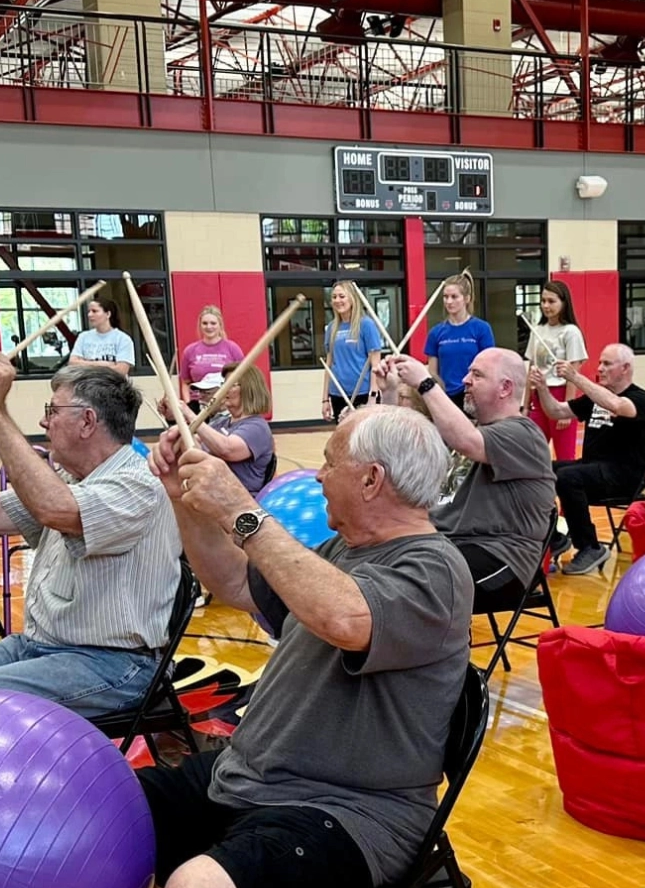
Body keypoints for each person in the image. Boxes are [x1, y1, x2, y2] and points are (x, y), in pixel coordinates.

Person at [139, 405, 469, 888]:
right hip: (248, 779)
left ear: (372, 480)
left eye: (330, 463)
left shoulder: (436, 570)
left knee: (198, 884)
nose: (317, 476)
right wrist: (181, 499)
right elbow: (236, 582)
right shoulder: (343, 550)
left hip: (349, 809)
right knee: (97, 805)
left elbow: (344, 618)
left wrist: (238, 509)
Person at [0, 358, 179, 715]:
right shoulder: (73, 481)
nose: (44, 421)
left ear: (87, 421)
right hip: (40, 646)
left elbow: (54, 508)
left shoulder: (138, 485)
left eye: (52, 410)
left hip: (116, 663)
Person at [384, 348, 555, 611]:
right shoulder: (472, 433)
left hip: (500, 562)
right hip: (447, 545)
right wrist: (389, 391)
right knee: (368, 560)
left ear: (505, 388)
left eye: (476, 374)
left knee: (396, 588)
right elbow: (394, 449)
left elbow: (467, 441)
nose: (465, 380)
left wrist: (425, 383)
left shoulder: (523, 434)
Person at [531, 344, 645, 577]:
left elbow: (617, 406)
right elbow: (556, 411)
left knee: (568, 477)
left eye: (607, 364)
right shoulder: (595, 398)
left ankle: (590, 547)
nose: (600, 368)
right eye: (600, 363)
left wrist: (575, 377)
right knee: (541, 470)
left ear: (625, 368)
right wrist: (542, 389)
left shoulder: (640, 398)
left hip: (620, 476)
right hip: (591, 469)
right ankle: (554, 537)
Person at [191, 362, 276, 497]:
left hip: (239, 504)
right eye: (224, 384)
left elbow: (227, 449)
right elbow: (192, 445)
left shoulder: (257, 427)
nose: (223, 390)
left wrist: (189, 415)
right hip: (212, 497)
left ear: (248, 389)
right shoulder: (221, 422)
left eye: (231, 384)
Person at [526, 281, 588, 461]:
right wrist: (525, 406)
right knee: (533, 455)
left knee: (565, 457)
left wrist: (567, 409)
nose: (546, 306)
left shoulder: (571, 332)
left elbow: (573, 375)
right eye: (543, 301)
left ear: (563, 303)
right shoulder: (537, 330)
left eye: (551, 301)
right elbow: (531, 370)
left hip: (561, 396)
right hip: (538, 398)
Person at [422, 277, 494, 412]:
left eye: (454, 297)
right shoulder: (436, 332)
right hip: (446, 396)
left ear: (466, 298)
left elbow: (489, 366)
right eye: (445, 297)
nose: (449, 301)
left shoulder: (481, 328)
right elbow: (432, 371)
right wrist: (441, 393)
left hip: (473, 395)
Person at [322, 282, 386, 421]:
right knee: (344, 439)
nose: (337, 300)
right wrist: (325, 399)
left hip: (363, 392)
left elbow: (375, 363)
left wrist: (373, 395)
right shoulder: (332, 328)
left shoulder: (366, 324)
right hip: (338, 393)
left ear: (352, 298)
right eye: (334, 297)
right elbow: (329, 364)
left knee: (364, 439)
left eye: (342, 296)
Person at [177, 305, 243, 410]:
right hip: (199, 404)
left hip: (225, 405)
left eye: (213, 323)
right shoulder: (190, 351)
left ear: (220, 325)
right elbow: (185, 382)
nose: (209, 327)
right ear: (200, 325)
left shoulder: (232, 348)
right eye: (205, 323)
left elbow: (244, 378)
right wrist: (189, 405)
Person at [68, 297, 135, 376]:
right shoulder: (83, 337)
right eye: (89, 311)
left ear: (108, 314)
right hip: (87, 385)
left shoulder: (123, 339)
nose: (89, 315)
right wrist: (105, 364)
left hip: (113, 386)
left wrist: (85, 364)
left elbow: (121, 370)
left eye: (94, 311)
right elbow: (72, 363)